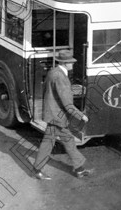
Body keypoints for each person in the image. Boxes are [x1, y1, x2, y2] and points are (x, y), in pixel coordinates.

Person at [33, 50, 90, 180]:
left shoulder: (53, 72)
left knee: (68, 141)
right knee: (48, 143)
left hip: (53, 114)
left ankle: (79, 169)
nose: (73, 64)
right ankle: (38, 170)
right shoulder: (60, 77)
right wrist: (81, 115)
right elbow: (67, 103)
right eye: (71, 62)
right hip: (57, 117)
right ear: (65, 63)